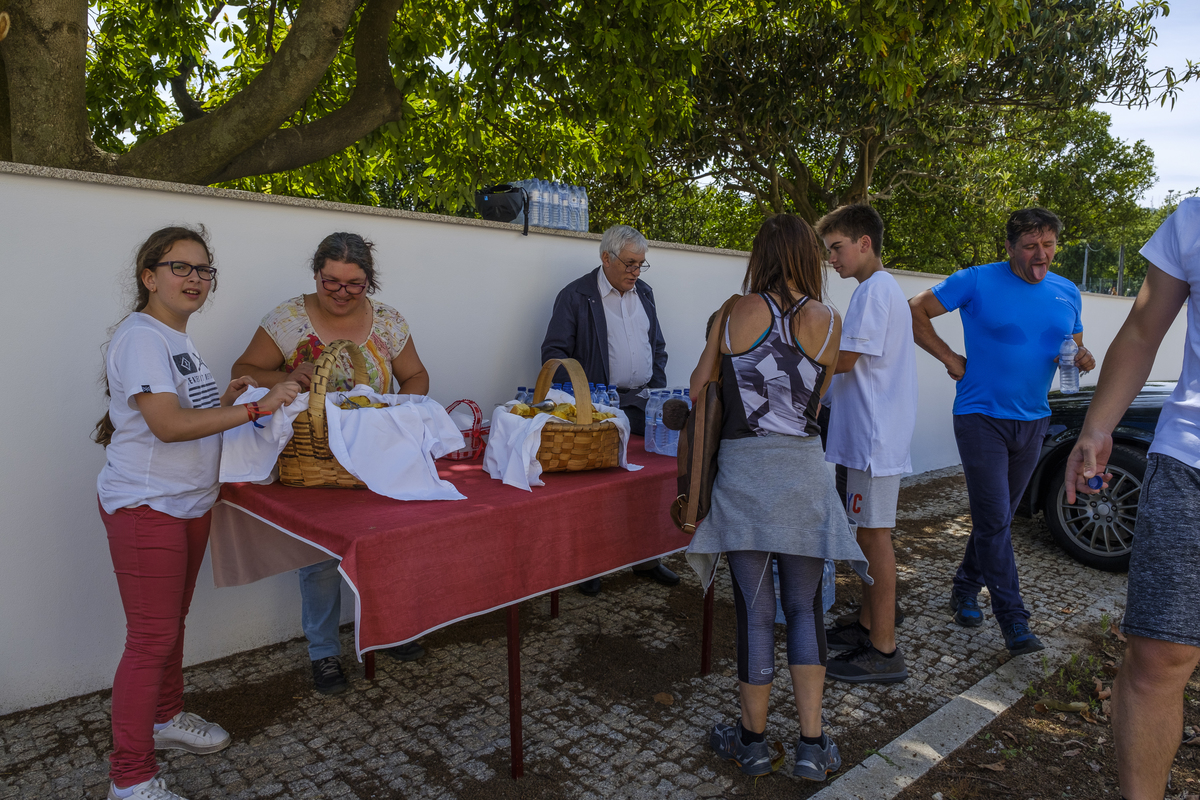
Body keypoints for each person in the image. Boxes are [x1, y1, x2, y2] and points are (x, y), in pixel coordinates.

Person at [94, 226, 301, 800]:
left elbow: (187, 414)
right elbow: (167, 425)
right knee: (150, 639)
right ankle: (129, 779)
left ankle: (164, 719)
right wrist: (259, 405)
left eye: (203, 270)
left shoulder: (174, 339)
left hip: (187, 501)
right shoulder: (142, 337)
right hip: (147, 504)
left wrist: (229, 400)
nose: (193, 279)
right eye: (179, 267)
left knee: (168, 628)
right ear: (148, 277)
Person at [685, 214, 870, 782]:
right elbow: (816, 401)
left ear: (760, 255)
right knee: (805, 610)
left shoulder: (731, 312)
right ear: (808, 259)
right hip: (803, 478)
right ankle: (813, 746)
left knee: (755, 614)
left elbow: (699, 391)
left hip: (744, 478)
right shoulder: (830, 320)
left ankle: (754, 743)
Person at [230, 232, 431, 695]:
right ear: (316, 274)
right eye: (330, 282)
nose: (341, 292)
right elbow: (244, 371)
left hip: (375, 454)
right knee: (319, 559)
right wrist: (285, 376)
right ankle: (323, 653)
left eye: (354, 284)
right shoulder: (286, 319)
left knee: (385, 544)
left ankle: (390, 630)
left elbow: (415, 374)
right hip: (313, 459)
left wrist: (400, 410)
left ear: (369, 281)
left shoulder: (390, 323)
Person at [908, 207, 1096, 656]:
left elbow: (1072, 346)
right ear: (1010, 247)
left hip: (1034, 419)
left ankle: (965, 588)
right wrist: (951, 358)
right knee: (994, 519)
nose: (1041, 255)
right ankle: (1014, 620)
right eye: (1030, 246)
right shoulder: (976, 280)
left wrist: (1083, 357)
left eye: (1048, 245)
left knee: (999, 519)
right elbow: (915, 310)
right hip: (981, 418)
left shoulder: (1067, 291)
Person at [1063, 198, 1200, 800]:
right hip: (1189, 463)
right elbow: (1144, 328)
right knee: (1157, 662)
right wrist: (1096, 428)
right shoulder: (1193, 219)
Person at [540, 224, 678, 594]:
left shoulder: (644, 292)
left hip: (642, 403)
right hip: (600, 410)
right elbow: (554, 354)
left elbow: (657, 346)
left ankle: (647, 558)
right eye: (630, 263)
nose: (636, 271)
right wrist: (583, 402)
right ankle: (589, 567)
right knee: (597, 492)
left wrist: (656, 387)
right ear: (606, 257)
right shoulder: (576, 296)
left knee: (647, 485)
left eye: (641, 264)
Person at [815, 204, 917, 684]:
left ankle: (884, 649)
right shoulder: (874, 290)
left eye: (836, 249)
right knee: (863, 532)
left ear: (864, 243)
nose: (832, 260)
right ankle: (867, 624)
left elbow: (847, 358)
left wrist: (797, 362)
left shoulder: (875, 293)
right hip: (867, 436)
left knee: (874, 536)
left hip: (875, 440)